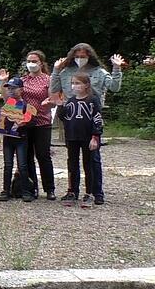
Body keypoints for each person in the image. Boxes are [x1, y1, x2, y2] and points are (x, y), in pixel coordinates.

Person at [51, 43, 124, 205]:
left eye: (83, 56)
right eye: (76, 56)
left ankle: (95, 192)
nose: (79, 59)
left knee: (92, 159)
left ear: (89, 56)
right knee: (72, 160)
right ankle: (73, 191)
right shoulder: (66, 72)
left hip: (90, 121)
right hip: (71, 123)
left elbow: (114, 87)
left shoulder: (98, 72)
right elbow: (54, 89)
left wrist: (117, 69)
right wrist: (56, 70)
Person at [0, 50, 56, 200]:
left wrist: (49, 102)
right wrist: (3, 81)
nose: (31, 64)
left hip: (42, 121)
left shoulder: (48, 80)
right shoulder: (23, 80)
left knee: (43, 156)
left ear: (41, 63)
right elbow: (8, 99)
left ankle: (49, 189)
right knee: (27, 157)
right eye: (29, 61)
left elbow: (53, 98)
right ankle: (31, 188)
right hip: (24, 123)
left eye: (34, 61)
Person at [58, 73, 103, 208]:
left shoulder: (92, 100)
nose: (75, 86)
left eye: (78, 83)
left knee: (88, 164)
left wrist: (95, 136)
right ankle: (72, 191)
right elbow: (63, 117)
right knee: (72, 164)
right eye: (73, 83)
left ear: (86, 85)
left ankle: (90, 192)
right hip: (72, 137)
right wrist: (60, 106)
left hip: (87, 137)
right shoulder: (71, 101)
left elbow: (98, 119)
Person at [0, 77, 34, 202]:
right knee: (8, 165)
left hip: (21, 139)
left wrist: (22, 122)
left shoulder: (26, 105)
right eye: (9, 88)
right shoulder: (8, 104)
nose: (11, 91)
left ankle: (25, 191)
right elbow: (0, 119)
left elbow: (29, 120)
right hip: (8, 138)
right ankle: (5, 190)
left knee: (22, 165)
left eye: (14, 88)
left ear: (21, 89)